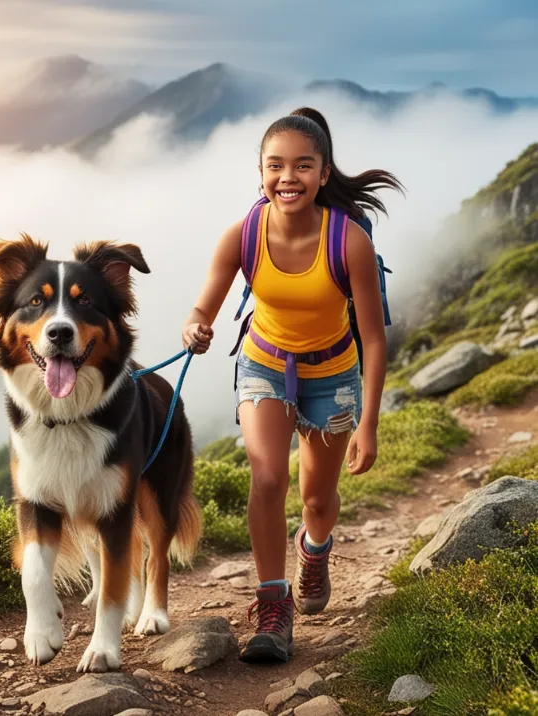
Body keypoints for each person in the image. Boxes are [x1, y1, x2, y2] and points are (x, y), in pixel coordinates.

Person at [181, 107, 403, 663]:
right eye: (275, 166)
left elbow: (374, 339)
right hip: (263, 365)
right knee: (267, 477)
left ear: (324, 174)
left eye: (303, 166)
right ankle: (271, 602)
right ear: (260, 173)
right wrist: (195, 326)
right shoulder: (244, 234)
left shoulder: (348, 241)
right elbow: (202, 304)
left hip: (333, 375)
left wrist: (369, 424)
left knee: (318, 499)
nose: (288, 178)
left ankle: (314, 548)